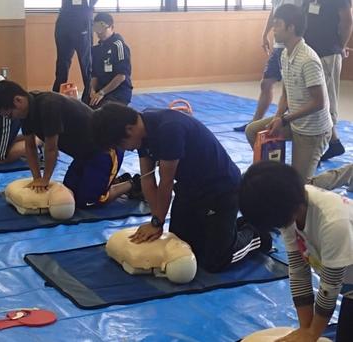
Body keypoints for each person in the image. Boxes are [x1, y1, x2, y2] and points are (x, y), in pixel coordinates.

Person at [91, 102, 272, 273]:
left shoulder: (169, 130)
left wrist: (157, 222)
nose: (126, 150)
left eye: (121, 145)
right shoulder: (141, 131)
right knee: (183, 247)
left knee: (214, 261)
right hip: (189, 189)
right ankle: (228, 227)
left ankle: (255, 232)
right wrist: (156, 220)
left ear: (129, 130)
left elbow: (166, 181)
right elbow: (147, 179)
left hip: (221, 190)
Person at [239, 161, 353, 342]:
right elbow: (299, 271)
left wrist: (312, 333)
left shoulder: (333, 223)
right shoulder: (291, 208)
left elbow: (329, 288)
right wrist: (304, 330)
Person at [0, 80, 140, 208]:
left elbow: (51, 149)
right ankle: (113, 180)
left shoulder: (48, 105)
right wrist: (36, 178)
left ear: (18, 101)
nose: (10, 119)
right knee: (68, 194)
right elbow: (30, 147)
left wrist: (45, 179)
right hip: (83, 156)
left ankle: (133, 184)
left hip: (105, 151)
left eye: (9, 114)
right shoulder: (27, 111)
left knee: (88, 202)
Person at [245, 4, 332, 182]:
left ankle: (347, 173)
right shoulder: (285, 54)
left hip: (312, 133)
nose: (273, 29)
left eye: (277, 24)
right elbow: (286, 92)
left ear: (291, 27)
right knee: (253, 131)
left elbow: (319, 102)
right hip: (293, 122)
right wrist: (278, 117)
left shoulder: (308, 59)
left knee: (301, 186)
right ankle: (274, 177)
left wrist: (284, 119)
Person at [234, 0, 303, 132]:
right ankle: (255, 122)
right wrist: (265, 34)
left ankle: (283, 121)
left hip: (291, 43)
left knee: (289, 90)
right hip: (278, 46)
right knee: (265, 83)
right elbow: (274, 13)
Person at [304, 0, 353, 161]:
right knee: (312, 99)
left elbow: (347, 21)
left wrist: (340, 46)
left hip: (328, 53)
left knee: (325, 100)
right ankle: (334, 142)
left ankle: (319, 148)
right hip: (310, 52)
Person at [52, 0, 98, 103]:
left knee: (87, 65)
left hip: (83, 20)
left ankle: (88, 100)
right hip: (64, 21)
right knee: (62, 65)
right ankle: (56, 100)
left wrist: (90, 6)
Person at [89, 12, 132, 108]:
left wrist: (101, 93)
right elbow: (94, 75)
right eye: (96, 28)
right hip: (100, 89)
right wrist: (92, 90)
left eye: (102, 28)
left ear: (111, 27)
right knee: (83, 109)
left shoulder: (119, 45)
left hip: (118, 91)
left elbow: (121, 77)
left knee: (103, 112)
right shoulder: (95, 49)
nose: (99, 32)